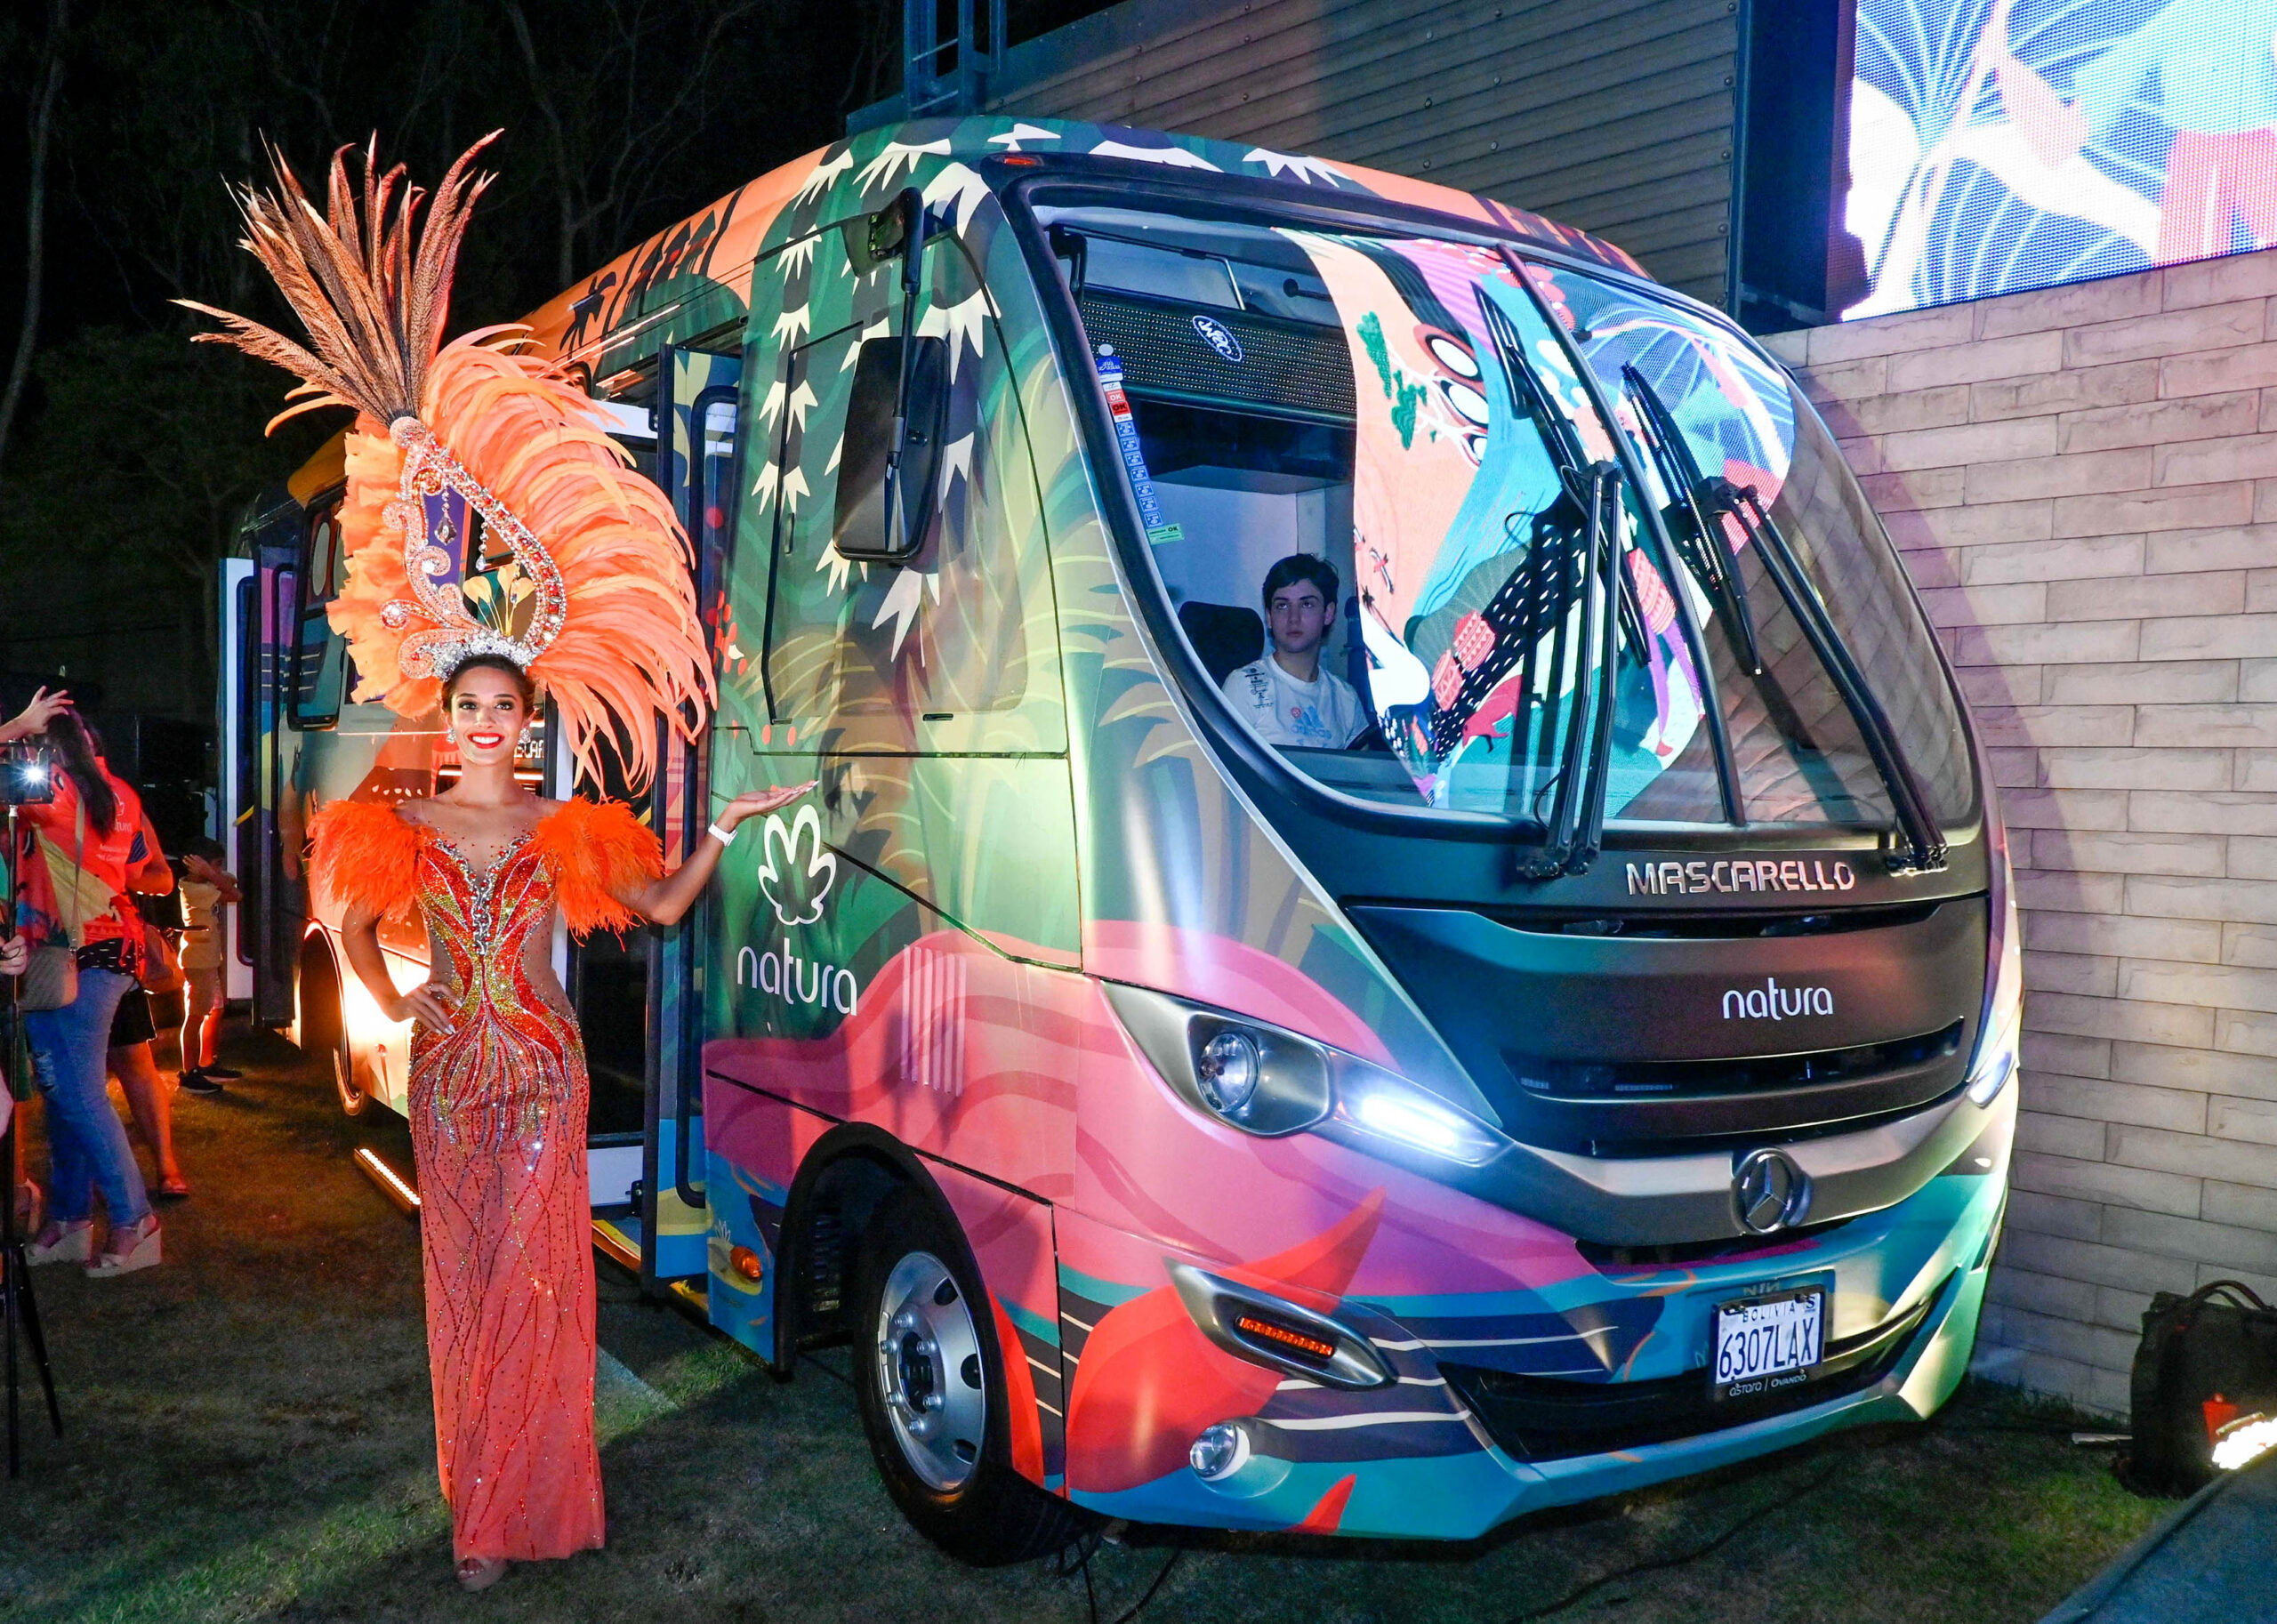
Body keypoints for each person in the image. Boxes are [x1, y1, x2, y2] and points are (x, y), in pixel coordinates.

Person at [188, 139, 741, 1588]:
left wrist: (721, 838)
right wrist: (395, 993)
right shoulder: (403, 826)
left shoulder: (570, 830)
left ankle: (533, 1511)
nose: (490, 720)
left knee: (544, 1293)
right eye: (473, 704)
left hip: (546, 1085)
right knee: (466, 1285)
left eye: (508, 705)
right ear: (455, 714)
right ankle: (481, 1513)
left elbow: (655, 908)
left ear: (528, 718)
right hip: (449, 1080)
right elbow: (350, 921)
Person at [8, 707, 167, 1276]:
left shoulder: (51, 788)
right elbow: (143, 869)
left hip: (65, 953)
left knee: (75, 1093)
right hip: (111, 947)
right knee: (67, 1091)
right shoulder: (118, 790)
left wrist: (12, 730)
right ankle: (71, 1219)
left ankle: (135, 1219)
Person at [109, 812, 188, 1201]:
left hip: (110, 950)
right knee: (68, 1078)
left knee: (134, 1061)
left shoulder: (121, 803)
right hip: (46, 948)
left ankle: (165, 1166)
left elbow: (162, 879)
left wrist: (116, 875)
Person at [1219, 553, 1368, 749]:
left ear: (1328, 613)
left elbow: (1362, 766)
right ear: (1269, 617)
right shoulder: (1245, 686)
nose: (1293, 618)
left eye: (1306, 604)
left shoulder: (1345, 698)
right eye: (1282, 606)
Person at [176, 836, 241, 1097]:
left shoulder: (205, 884)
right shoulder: (194, 889)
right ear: (199, 865)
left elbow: (231, 881)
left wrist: (212, 873)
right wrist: (211, 874)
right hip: (198, 961)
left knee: (215, 1010)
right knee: (195, 1016)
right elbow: (236, 894)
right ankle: (189, 1072)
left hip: (208, 960)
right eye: (216, 864)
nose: (220, 869)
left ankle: (206, 1063)